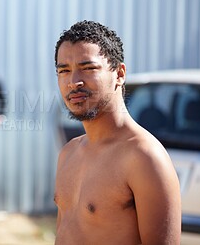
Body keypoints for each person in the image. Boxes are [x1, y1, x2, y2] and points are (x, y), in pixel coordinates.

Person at [54, 20, 181, 244]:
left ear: (119, 73)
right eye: (64, 70)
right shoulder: (68, 153)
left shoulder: (144, 157)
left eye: (89, 68)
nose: (74, 82)